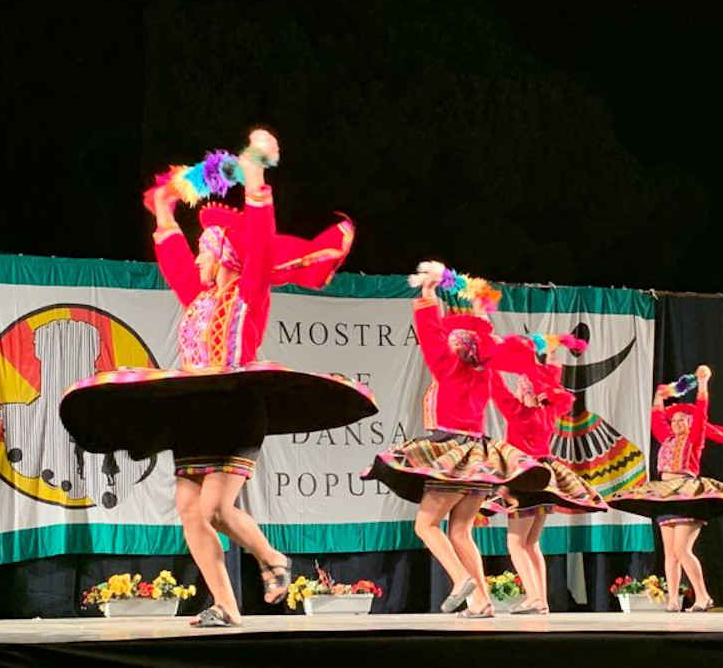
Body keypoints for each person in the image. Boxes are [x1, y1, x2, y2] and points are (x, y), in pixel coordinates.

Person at [61, 129, 375, 628]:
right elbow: (172, 259)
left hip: (234, 407)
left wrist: (255, 179)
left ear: (226, 254)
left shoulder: (249, 294)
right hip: (194, 410)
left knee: (214, 506)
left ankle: (272, 558)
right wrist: (163, 212)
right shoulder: (197, 297)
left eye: (205, 250)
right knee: (190, 511)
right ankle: (226, 606)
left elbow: (258, 240)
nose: (198, 258)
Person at [361, 263, 550, 618]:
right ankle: (481, 602)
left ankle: (461, 578)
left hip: (453, 451)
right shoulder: (486, 368)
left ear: (455, 347)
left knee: (425, 525)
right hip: (479, 456)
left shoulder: (447, 366)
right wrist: (480, 309)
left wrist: (429, 295)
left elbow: (431, 334)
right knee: (461, 530)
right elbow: (487, 340)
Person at [607, 365, 723, 612]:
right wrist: (659, 397)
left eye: (680, 420)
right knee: (670, 553)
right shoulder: (668, 440)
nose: (675, 424)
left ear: (689, 422)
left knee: (682, 549)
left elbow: (702, 413)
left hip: (686, 495)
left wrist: (703, 383)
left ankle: (703, 596)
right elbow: (656, 420)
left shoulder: (694, 439)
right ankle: (673, 600)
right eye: (672, 421)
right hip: (665, 496)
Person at [486, 344, 607, 615]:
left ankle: (534, 597)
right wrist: (552, 361)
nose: (518, 389)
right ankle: (541, 600)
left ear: (524, 392)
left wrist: (489, 357)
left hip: (525, 478)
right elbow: (552, 386)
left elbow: (496, 389)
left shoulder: (519, 412)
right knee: (532, 542)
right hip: (547, 478)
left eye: (521, 386)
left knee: (515, 542)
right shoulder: (548, 411)